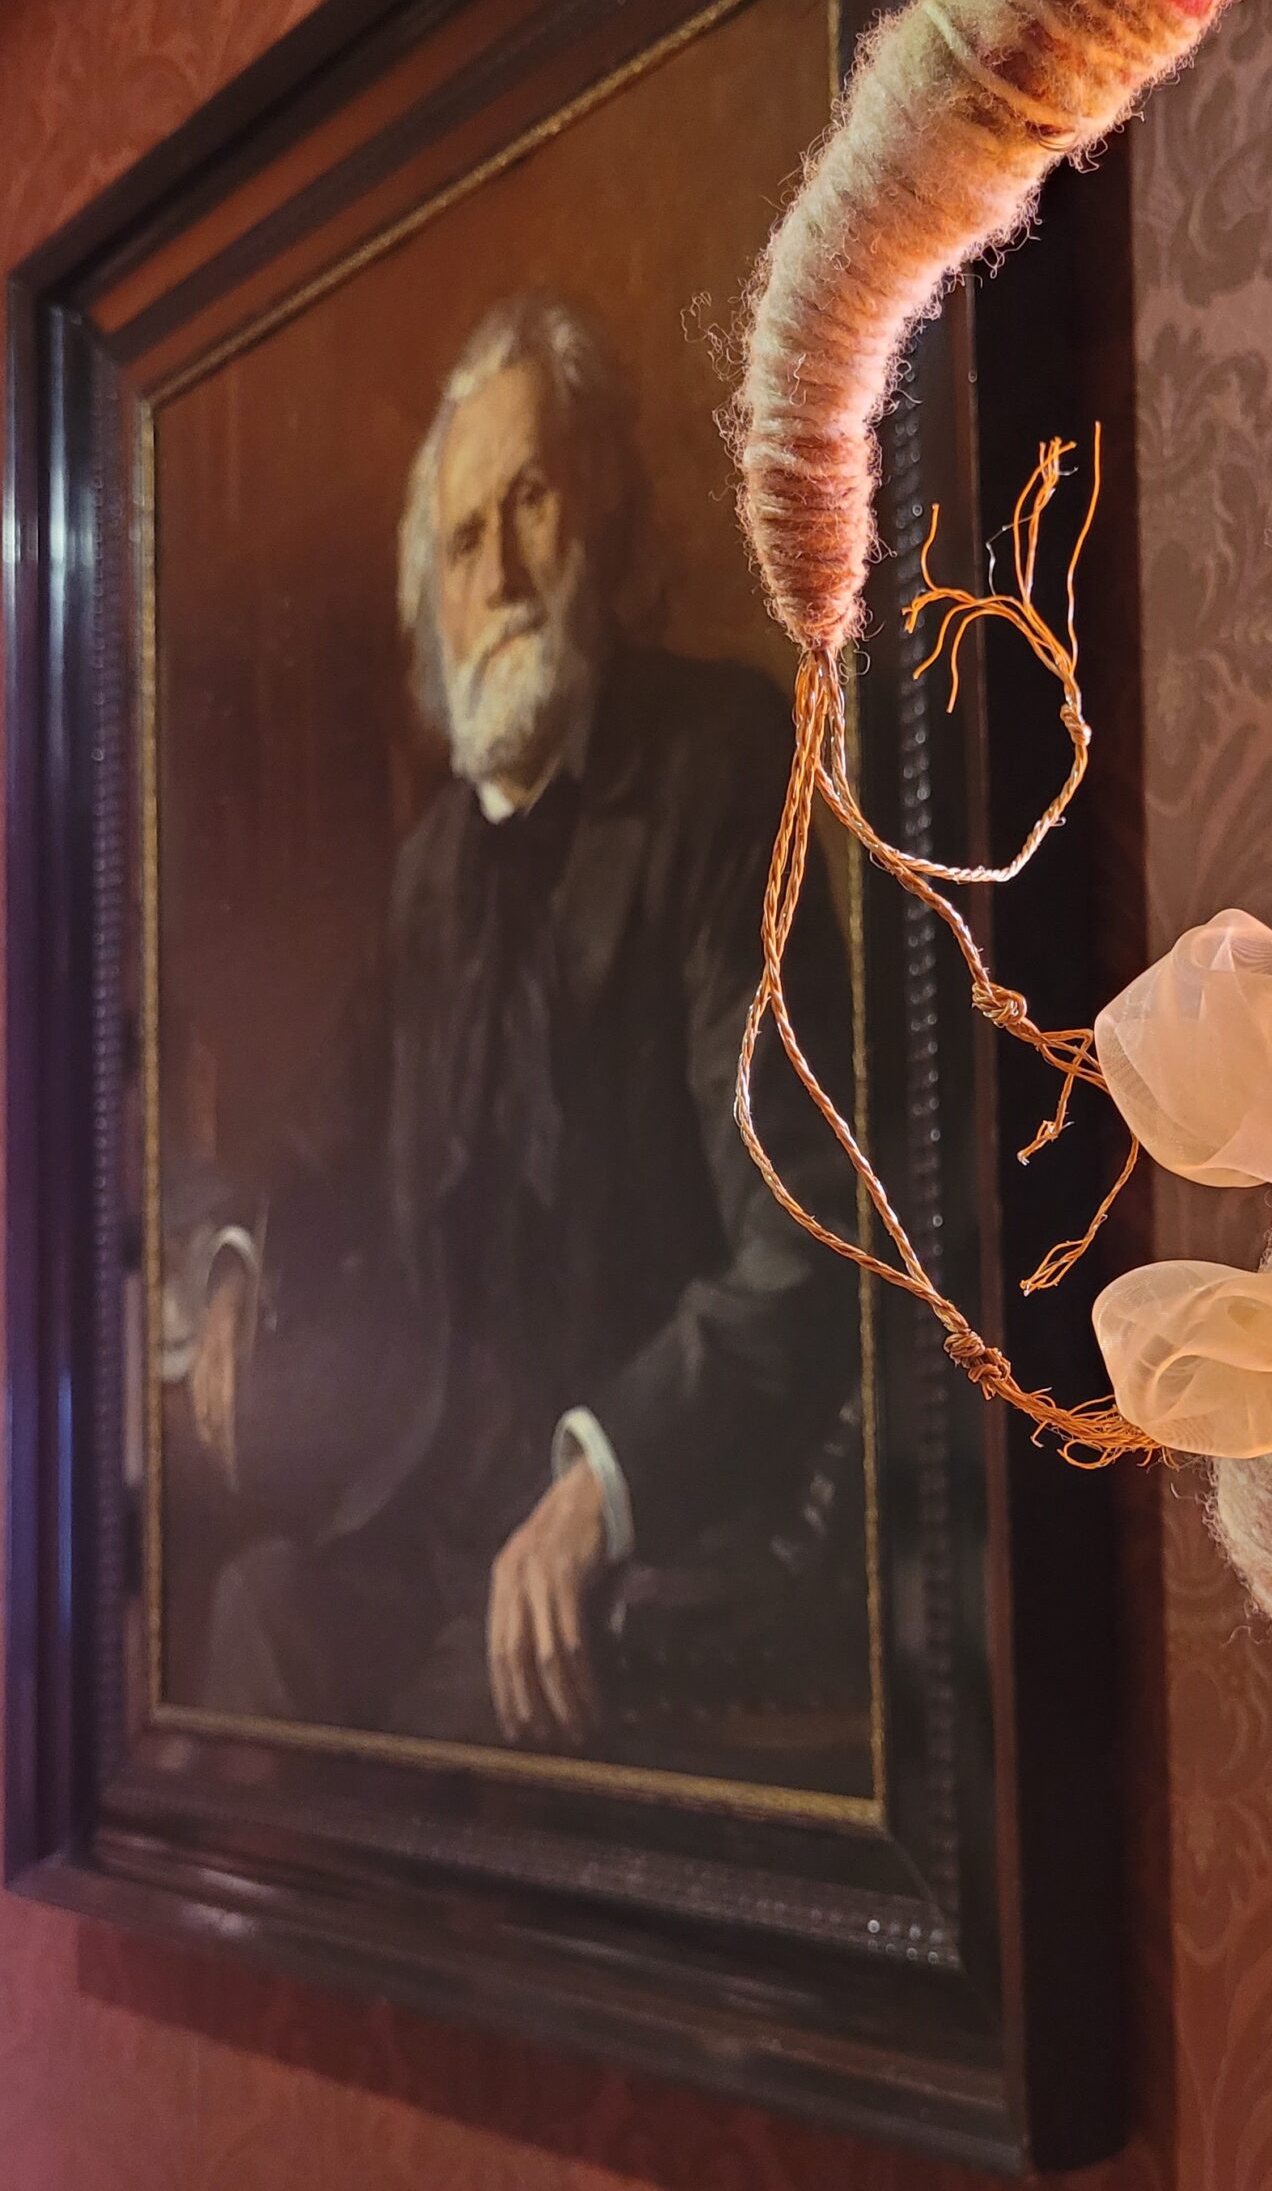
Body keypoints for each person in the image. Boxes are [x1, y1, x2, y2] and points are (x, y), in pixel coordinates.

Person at [188, 295, 857, 1754]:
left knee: (431, 1743)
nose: (495, 575)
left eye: (531, 502)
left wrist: (603, 1479)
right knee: (255, 1620)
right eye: (460, 541)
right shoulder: (430, 866)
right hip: (431, 1509)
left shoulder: (718, 765)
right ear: (430, 606)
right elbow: (321, 1135)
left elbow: (806, 1231)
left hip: (632, 1528)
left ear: (602, 516)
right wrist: (233, 1260)